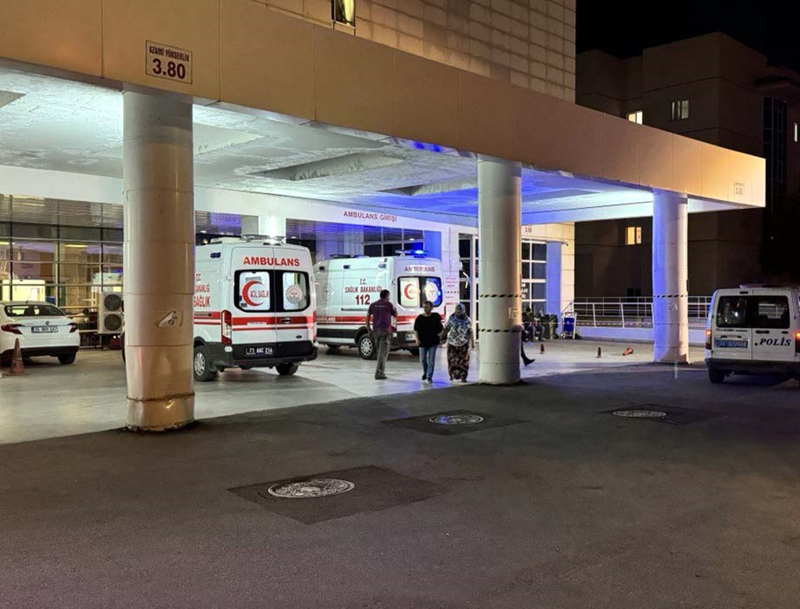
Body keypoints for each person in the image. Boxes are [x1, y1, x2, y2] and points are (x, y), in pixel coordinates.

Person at [366, 289, 397, 380]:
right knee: (382, 353)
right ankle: (379, 373)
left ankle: (380, 372)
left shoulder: (373, 305)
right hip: (385, 331)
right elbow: (396, 314)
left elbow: (367, 316)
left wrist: (368, 328)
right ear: (387, 296)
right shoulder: (389, 304)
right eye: (389, 296)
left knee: (379, 352)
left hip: (375, 331)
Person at [441, 304, 474, 382]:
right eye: (457, 310)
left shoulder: (467, 319)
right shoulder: (452, 317)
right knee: (452, 360)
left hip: (463, 343)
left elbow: (470, 331)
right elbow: (447, 328)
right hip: (452, 343)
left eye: (460, 310)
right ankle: (452, 374)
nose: (458, 311)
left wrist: (472, 342)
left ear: (463, 310)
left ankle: (463, 376)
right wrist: (441, 336)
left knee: (464, 361)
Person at [414, 300, 443, 383]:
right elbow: (416, 330)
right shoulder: (419, 318)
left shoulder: (436, 317)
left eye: (428, 307)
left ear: (431, 308)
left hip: (433, 341)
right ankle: (425, 372)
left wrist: (441, 334)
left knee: (431, 360)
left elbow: (441, 327)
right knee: (423, 359)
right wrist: (417, 339)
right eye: (424, 307)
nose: (426, 309)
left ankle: (429, 376)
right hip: (422, 341)